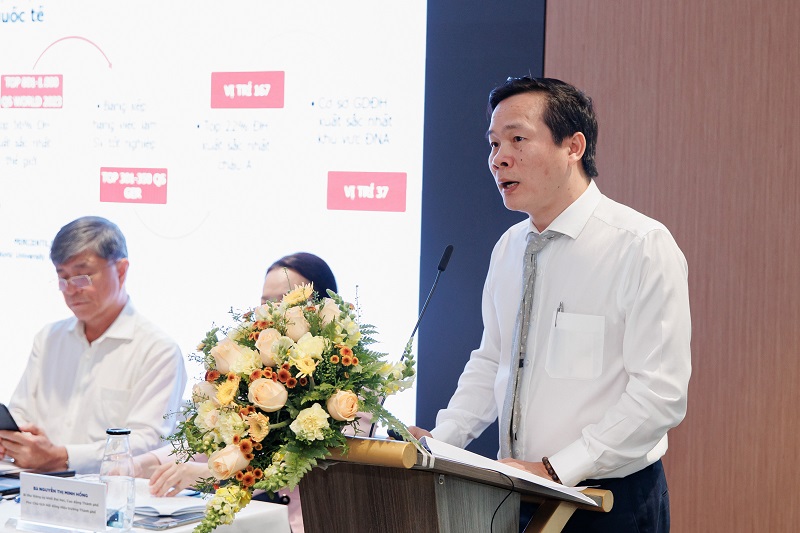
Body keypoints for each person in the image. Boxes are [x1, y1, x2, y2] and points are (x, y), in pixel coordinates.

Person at [409, 77, 691, 532]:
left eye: (518, 139)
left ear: (573, 146)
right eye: (494, 143)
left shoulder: (640, 246)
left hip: (605, 502)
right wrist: (440, 444)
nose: (499, 158)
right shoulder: (509, 246)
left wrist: (559, 469)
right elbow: (493, 362)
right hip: (516, 491)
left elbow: (660, 397)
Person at [137, 252, 342, 533]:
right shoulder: (251, 363)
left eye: (287, 300)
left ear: (319, 305)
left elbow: (305, 462)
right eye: (266, 303)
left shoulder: (345, 378)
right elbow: (213, 441)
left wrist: (208, 474)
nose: (274, 311)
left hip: (306, 521)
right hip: (249, 519)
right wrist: (146, 463)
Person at [0, 216, 187, 474]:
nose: (70, 290)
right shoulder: (49, 338)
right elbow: (21, 412)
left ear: (121, 271)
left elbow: (147, 443)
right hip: (31, 484)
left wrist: (63, 457)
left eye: (82, 277)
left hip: (108, 490)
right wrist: (14, 440)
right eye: (63, 278)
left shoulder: (157, 350)